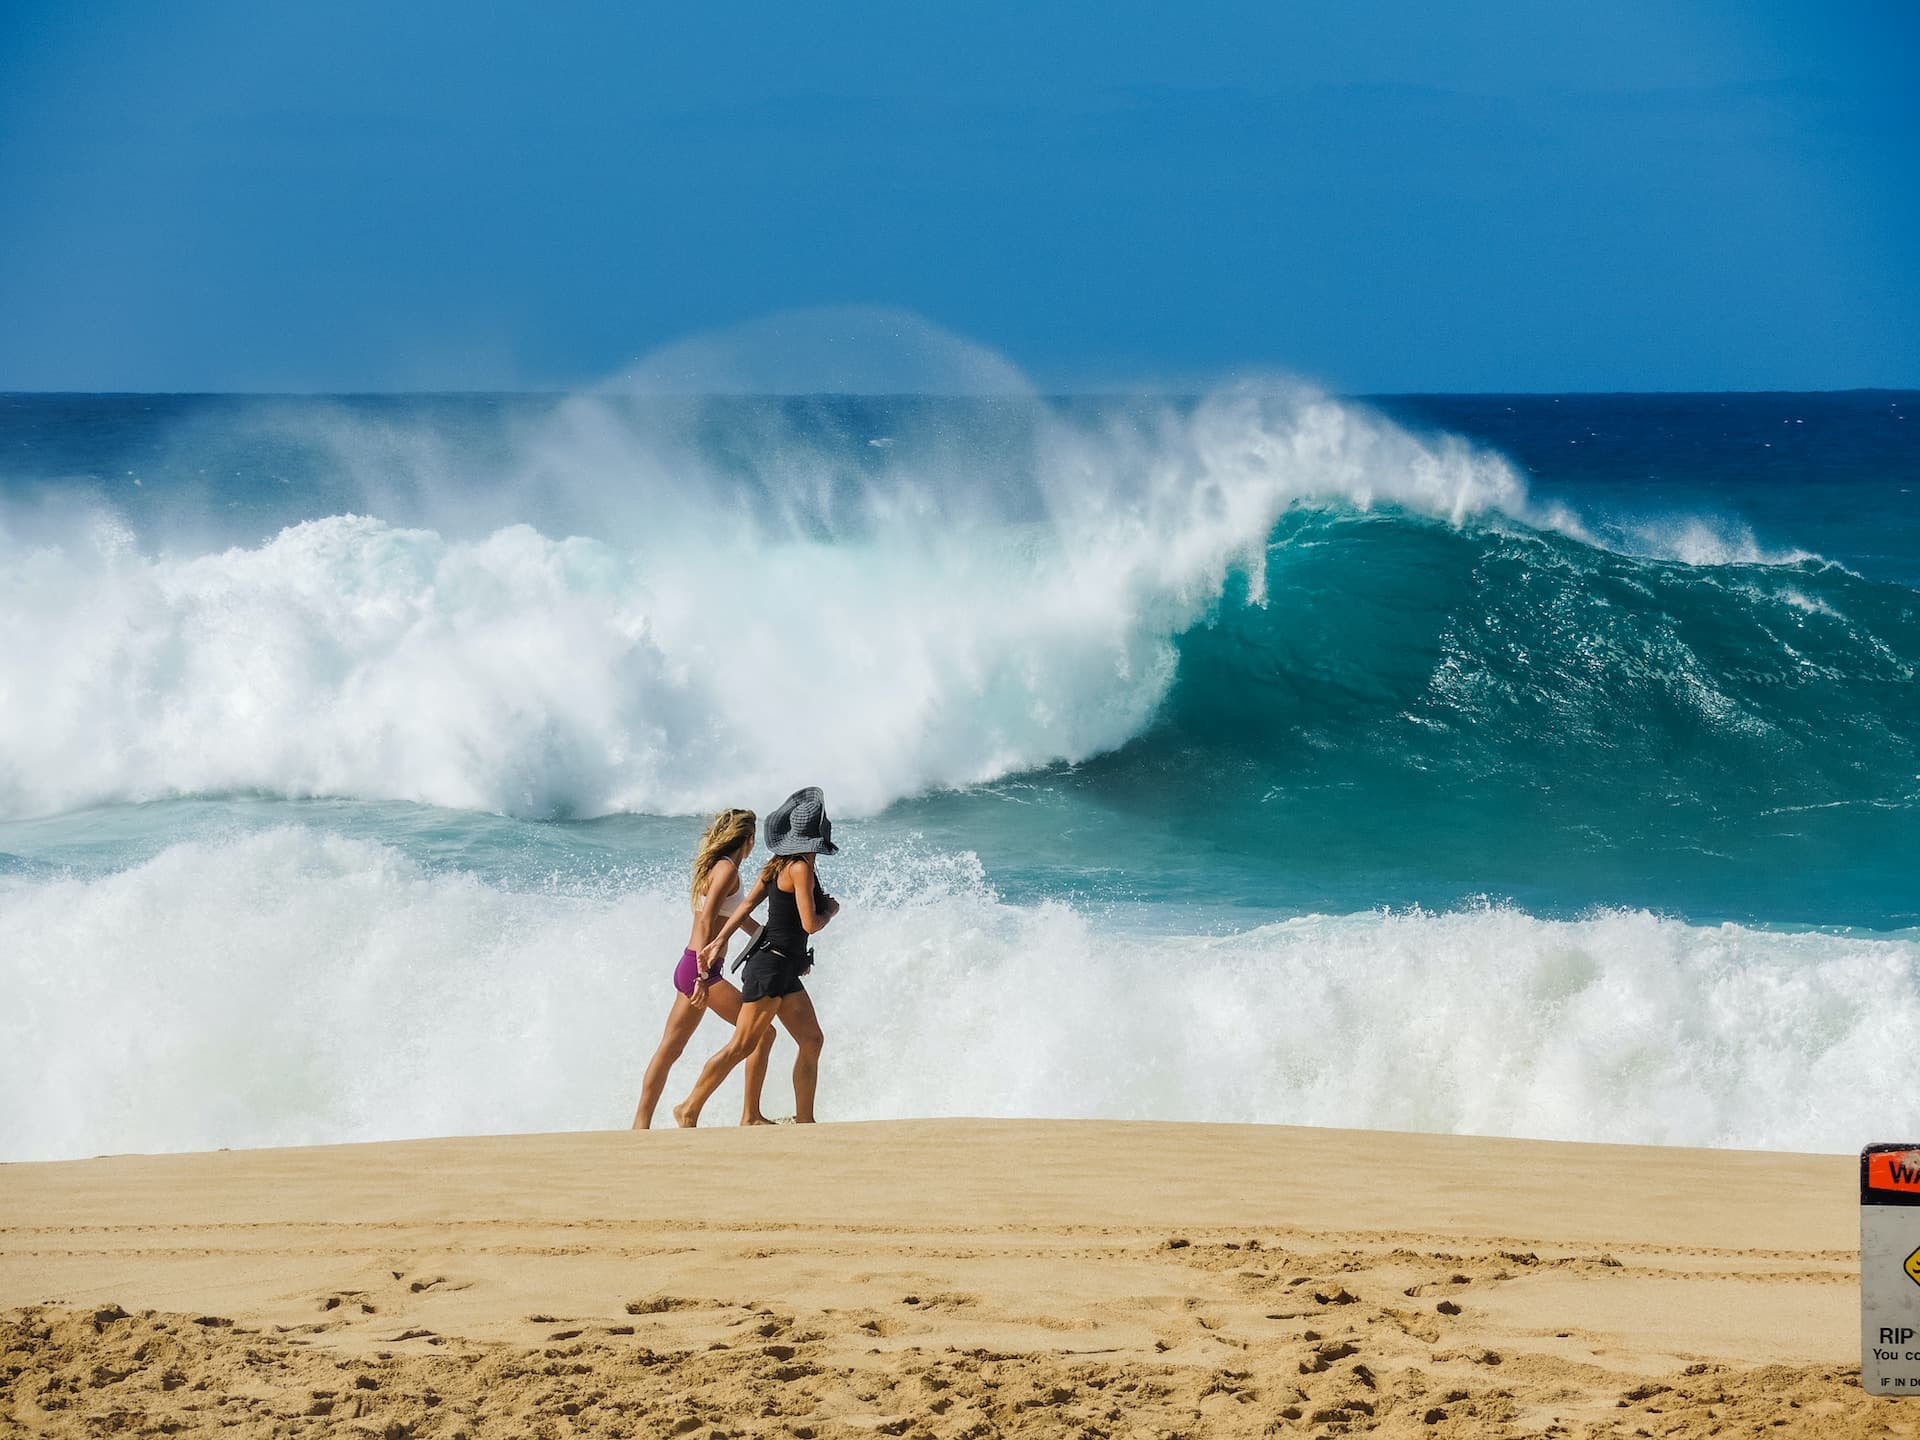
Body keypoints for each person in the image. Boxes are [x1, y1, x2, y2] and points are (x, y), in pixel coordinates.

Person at [674, 787, 840, 1127]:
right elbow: (811, 923)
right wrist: (831, 912)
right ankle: (688, 1107)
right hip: (771, 967)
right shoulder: (801, 869)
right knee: (742, 1045)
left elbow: (747, 905)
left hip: (781, 965)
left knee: (811, 1039)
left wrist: (720, 939)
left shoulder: (777, 865)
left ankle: (805, 1120)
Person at [630, 808, 776, 1129]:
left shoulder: (719, 867)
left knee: (669, 1049)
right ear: (749, 840)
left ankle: (640, 1127)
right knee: (763, 1033)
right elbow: (708, 920)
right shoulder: (726, 870)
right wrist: (700, 975)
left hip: (692, 964)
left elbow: (739, 922)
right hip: (702, 970)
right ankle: (745, 1115)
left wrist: (779, 945)